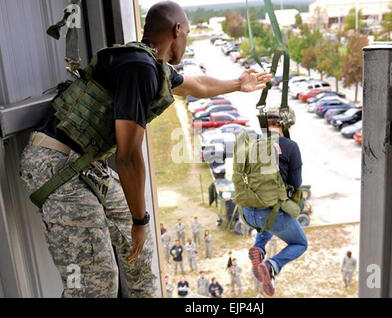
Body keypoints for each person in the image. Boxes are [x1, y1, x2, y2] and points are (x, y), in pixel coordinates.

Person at [18, 0, 270, 298]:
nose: (186, 41)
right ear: (177, 30)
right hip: (56, 166)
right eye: (187, 33)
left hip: (81, 165)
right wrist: (140, 220)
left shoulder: (149, 64)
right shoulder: (138, 68)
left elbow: (197, 84)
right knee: (96, 285)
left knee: (140, 249)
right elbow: (127, 156)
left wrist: (238, 83)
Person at [242, 107, 308, 297]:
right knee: (300, 243)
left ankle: (259, 249)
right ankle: (272, 265)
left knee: (267, 224)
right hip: (270, 213)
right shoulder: (290, 146)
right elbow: (296, 183)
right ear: (284, 124)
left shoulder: (252, 142)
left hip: (247, 211)